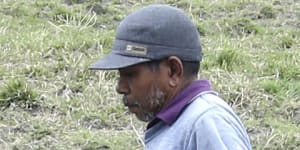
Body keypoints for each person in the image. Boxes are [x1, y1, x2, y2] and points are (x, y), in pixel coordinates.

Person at [90, 4, 251, 150]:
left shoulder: (208, 122)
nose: (121, 88)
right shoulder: (180, 122)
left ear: (173, 71)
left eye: (131, 74)